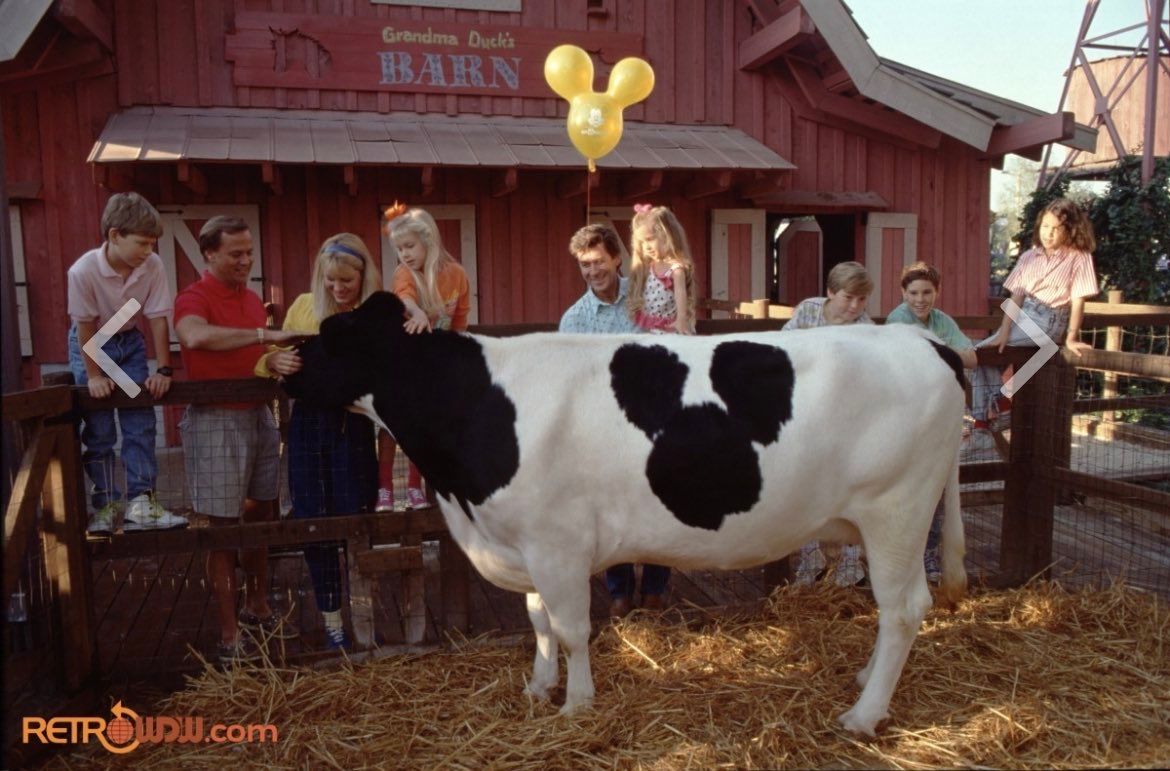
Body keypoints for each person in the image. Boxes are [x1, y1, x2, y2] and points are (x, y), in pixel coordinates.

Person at [174, 215, 309, 663]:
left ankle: (258, 604)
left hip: (258, 415)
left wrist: (273, 360)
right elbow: (193, 336)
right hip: (215, 420)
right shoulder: (192, 298)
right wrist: (263, 335)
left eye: (249, 252)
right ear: (209, 254)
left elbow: (254, 354)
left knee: (261, 513)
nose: (245, 261)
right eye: (236, 253)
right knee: (221, 526)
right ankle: (229, 633)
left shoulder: (252, 300)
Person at [255, 233, 381, 651]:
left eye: (347, 281)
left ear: (364, 277)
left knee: (355, 515)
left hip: (355, 428)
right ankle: (332, 623)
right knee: (314, 519)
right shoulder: (303, 307)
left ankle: (363, 616)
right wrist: (272, 361)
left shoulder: (374, 313)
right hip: (309, 427)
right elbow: (268, 356)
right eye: (331, 281)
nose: (338, 289)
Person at [559, 221, 668, 617]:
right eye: (584, 265)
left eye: (598, 261)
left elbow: (669, 344)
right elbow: (571, 380)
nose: (592, 271)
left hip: (651, 419)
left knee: (657, 502)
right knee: (612, 509)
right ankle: (620, 593)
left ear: (616, 258)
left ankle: (655, 590)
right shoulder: (574, 319)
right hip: (603, 426)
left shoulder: (645, 298)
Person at [66, 192, 187, 534]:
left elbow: (159, 316)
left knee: (140, 422)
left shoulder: (153, 266)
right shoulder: (83, 271)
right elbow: (85, 326)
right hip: (91, 343)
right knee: (100, 430)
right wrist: (94, 376)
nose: (149, 250)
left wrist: (163, 369)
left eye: (152, 244)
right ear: (115, 235)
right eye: (142, 243)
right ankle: (106, 506)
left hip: (130, 343)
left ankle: (141, 502)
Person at [965, 198, 1099, 461]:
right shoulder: (1029, 256)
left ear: (1069, 229)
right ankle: (994, 414)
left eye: (1056, 228)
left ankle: (991, 417)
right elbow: (1016, 297)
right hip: (1024, 316)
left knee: (1040, 352)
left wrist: (1071, 337)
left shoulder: (1079, 258)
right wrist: (1003, 332)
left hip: (1050, 317)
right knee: (980, 354)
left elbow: (1078, 300)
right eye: (1045, 226)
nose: (1048, 233)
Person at [783, 261, 874, 587]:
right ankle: (811, 562)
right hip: (808, 415)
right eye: (848, 297)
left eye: (861, 300)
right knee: (806, 491)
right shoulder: (808, 311)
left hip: (847, 421)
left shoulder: (864, 326)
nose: (854, 306)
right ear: (830, 292)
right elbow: (785, 348)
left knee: (849, 492)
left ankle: (850, 566)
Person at [884, 261, 976, 582]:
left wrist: (940, 349)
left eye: (927, 292)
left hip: (937, 414)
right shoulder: (898, 320)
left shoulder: (941, 321)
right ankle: (900, 557)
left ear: (937, 292)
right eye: (913, 293)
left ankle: (929, 555)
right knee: (904, 487)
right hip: (907, 415)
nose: (920, 300)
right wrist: (947, 352)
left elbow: (972, 358)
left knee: (936, 488)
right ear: (902, 293)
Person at [376, 204, 471, 512]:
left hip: (436, 365)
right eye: (399, 248)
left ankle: (416, 487)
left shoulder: (456, 275)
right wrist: (416, 312)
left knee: (426, 425)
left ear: (429, 241)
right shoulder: (404, 274)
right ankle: (385, 489)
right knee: (391, 427)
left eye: (409, 246)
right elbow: (405, 296)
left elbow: (460, 320)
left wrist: (455, 353)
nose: (404, 254)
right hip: (404, 364)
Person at [627, 204, 696, 335]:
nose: (646, 247)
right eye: (642, 242)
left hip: (669, 327)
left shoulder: (675, 269)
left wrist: (681, 318)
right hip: (652, 327)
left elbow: (680, 293)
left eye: (650, 240)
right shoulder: (649, 267)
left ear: (667, 236)